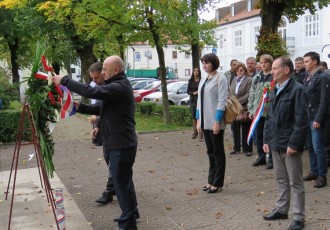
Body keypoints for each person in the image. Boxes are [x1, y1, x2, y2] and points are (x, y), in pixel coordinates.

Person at [54, 56, 139, 230]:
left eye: (104, 70)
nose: (101, 73)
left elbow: (91, 92)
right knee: (124, 183)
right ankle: (130, 214)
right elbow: (100, 108)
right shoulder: (113, 87)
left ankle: (128, 224)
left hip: (121, 144)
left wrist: (65, 80)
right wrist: (79, 107)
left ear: (116, 70)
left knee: (122, 185)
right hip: (117, 143)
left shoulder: (119, 86)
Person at [263, 56, 309, 230]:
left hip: (289, 145)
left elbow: (301, 120)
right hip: (275, 143)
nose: (272, 71)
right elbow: (270, 116)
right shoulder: (274, 89)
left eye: (275, 68)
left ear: (286, 70)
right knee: (281, 179)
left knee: (295, 182)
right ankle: (282, 209)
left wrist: (294, 144)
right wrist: (267, 139)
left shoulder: (297, 90)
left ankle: (299, 217)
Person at [196, 53, 227, 193]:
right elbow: (198, 102)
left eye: (207, 63)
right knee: (210, 151)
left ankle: (218, 182)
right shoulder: (203, 79)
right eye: (203, 62)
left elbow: (222, 101)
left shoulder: (221, 78)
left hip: (214, 121)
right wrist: (198, 121)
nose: (204, 65)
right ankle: (211, 180)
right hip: (204, 121)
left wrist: (217, 121)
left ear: (214, 63)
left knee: (218, 151)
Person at [302, 52, 330, 188]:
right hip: (307, 117)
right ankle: (314, 171)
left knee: (319, 147)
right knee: (310, 147)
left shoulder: (323, 77)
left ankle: (322, 175)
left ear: (314, 62)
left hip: (316, 118)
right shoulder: (307, 78)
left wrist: (319, 118)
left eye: (306, 61)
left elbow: (325, 101)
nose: (304, 63)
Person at [248, 54, 274, 169]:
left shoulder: (273, 77)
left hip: (270, 111)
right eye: (262, 63)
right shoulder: (257, 77)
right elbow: (252, 94)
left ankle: (271, 158)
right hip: (258, 111)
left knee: (269, 135)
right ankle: (261, 156)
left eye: (266, 62)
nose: (263, 65)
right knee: (258, 135)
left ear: (270, 64)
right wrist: (251, 109)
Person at [229, 62, 253, 157]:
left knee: (246, 129)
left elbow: (249, 93)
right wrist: (231, 101)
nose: (239, 72)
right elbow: (230, 92)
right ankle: (236, 148)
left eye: (241, 70)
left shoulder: (249, 80)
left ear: (245, 71)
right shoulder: (234, 80)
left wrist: (238, 102)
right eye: (237, 70)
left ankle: (247, 149)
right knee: (235, 129)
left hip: (244, 108)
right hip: (234, 109)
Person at [187, 67, 203, 139]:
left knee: (200, 116)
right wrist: (193, 93)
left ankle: (201, 133)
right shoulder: (190, 81)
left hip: (200, 100)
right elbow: (188, 91)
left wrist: (199, 92)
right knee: (194, 117)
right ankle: (195, 132)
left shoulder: (202, 80)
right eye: (195, 71)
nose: (196, 72)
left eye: (197, 71)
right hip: (193, 100)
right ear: (193, 72)